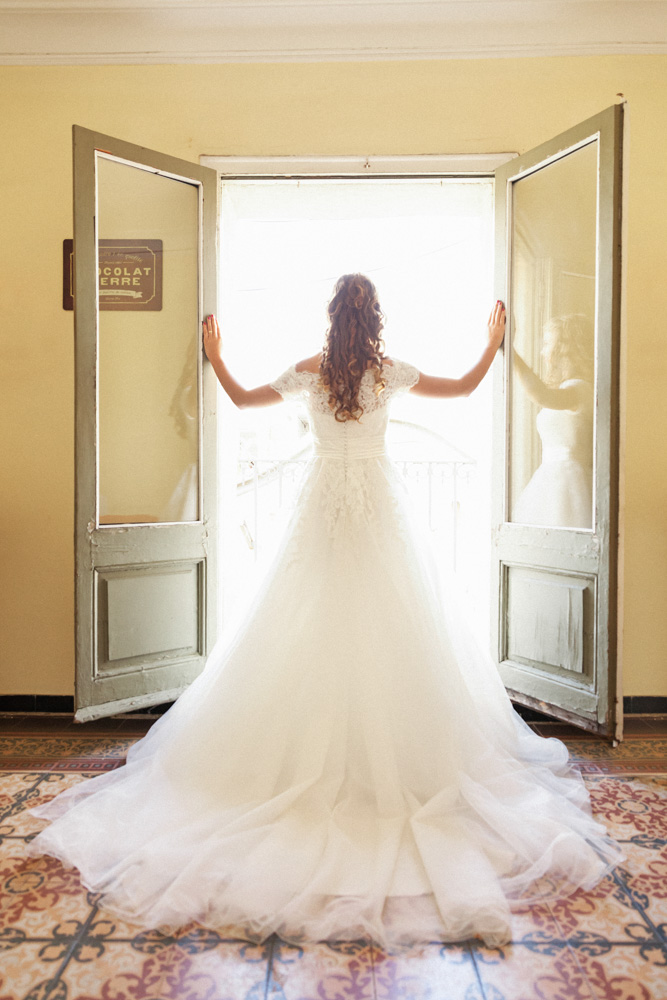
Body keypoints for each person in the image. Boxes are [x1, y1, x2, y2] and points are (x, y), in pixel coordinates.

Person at [26, 275, 622, 952]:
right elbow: (461, 387)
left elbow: (242, 398)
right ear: (372, 320)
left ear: (332, 318)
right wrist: (490, 347)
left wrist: (215, 355)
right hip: (378, 507)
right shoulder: (388, 371)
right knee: (389, 625)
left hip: (322, 506)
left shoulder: (311, 372)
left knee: (305, 622)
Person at [512, 314, 595, 529]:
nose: (542, 351)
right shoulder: (568, 389)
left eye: (548, 343)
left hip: (570, 487)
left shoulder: (581, 389)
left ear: (565, 349)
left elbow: (541, 396)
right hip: (550, 483)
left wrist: (510, 352)